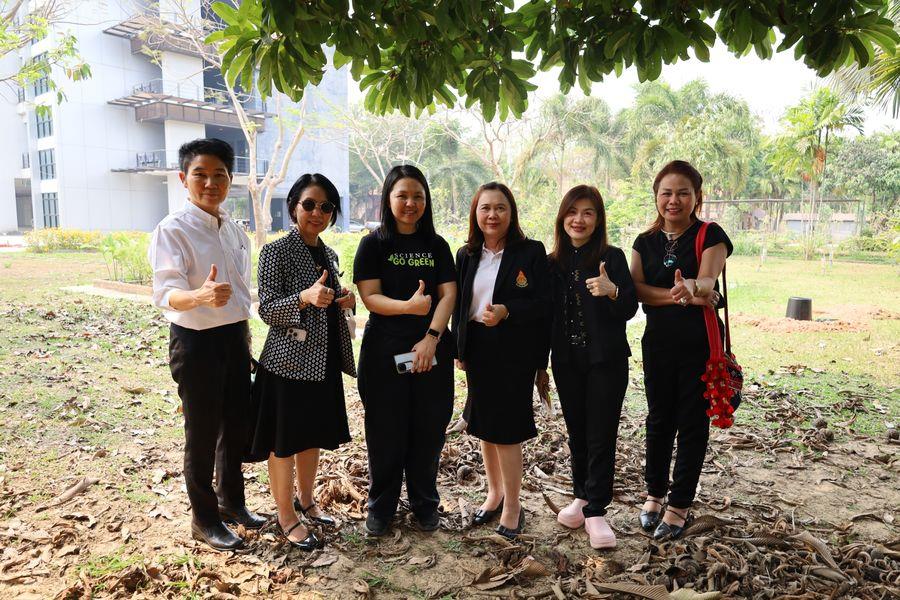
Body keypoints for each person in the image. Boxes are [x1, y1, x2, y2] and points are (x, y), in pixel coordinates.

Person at [148, 138, 265, 551]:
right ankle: (204, 519)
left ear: (231, 181)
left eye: (220, 175)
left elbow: (242, 290)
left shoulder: (233, 230)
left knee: (235, 426)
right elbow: (166, 294)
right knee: (201, 433)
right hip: (195, 341)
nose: (210, 183)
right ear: (184, 178)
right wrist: (199, 295)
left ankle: (232, 502)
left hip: (235, 336)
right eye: (200, 174)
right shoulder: (172, 230)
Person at [247, 174, 357, 551]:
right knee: (284, 443)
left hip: (323, 363)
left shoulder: (330, 254)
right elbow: (266, 310)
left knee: (312, 436)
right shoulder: (275, 252)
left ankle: (306, 501)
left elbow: (331, 302)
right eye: (309, 204)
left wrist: (345, 300)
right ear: (294, 206)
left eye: (326, 206)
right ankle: (286, 516)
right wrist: (304, 298)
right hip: (286, 366)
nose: (316, 212)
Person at [353, 165, 458, 537]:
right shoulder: (373, 244)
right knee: (385, 431)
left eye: (418, 196)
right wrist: (408, 307)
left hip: (431, 353)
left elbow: (449, 294)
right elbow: (370, 296)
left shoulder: (437, 245)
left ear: (426, 201)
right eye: (402, 195)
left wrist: (431, 337)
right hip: (384, 353)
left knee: (429, 430)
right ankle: (381, 507)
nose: (410, 203)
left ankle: (425, 503)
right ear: (388, 199)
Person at [630, 160, 732, 540]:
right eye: (666, 193)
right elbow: (637, 290)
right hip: (657, 343)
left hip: (698, 344)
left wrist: (695, 288)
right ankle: (654, 494)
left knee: (691, 422)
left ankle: (679, 505)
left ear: (696, 197)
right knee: (658, 419)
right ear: (656, 197)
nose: (674, 200)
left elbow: (707, 280)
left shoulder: (710, 234)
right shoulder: (644, 242)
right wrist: (681, 297)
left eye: (683, 193)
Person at [541, 185, 637, 549]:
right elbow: (543, 317)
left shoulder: (612, 257)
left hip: (606, 361)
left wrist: (613, 291)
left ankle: (597, 510)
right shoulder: (551, 264)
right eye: (572, 212)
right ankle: (581, 497)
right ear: (562, 218)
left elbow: (629, 308)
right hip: (566, 362)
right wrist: (540, 365)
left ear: (598, 220)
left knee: (601, 434)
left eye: (587, 213)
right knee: (577, 432)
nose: (578, 220)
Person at [453, 183, 549, 541]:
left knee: (507, 429)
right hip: (478, 349)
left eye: (500, 208)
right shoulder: (466, 255)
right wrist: (460, 348)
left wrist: (508, 310)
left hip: (514, 351)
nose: (492, 215)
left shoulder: (530, 252)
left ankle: (513, 505)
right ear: (475, 214)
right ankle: (494, 494)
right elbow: (460, 305)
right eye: (485, 208)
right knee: (483, 424)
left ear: (511, 213)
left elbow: (543, 304)